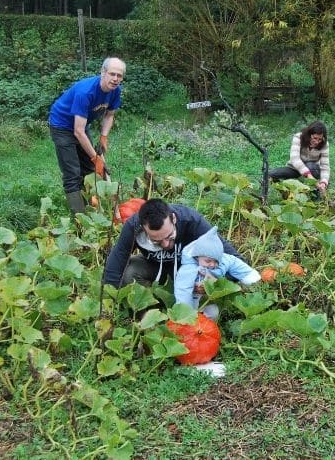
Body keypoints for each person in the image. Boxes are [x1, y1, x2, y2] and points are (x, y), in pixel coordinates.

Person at [102, 199, 243, 290]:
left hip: (190, 274)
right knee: (129, 272)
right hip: (157, 268)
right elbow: (116, 262)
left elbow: (237, 261)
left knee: (211, 312)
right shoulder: (133, 227)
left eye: (169, 236)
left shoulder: (193, 222)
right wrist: (110, 302)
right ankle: (149, 312)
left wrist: (210, 282)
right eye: (156, 241)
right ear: (144, 228)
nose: (165, 244)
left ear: (174, 219)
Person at [49, 57, 126, 214]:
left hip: (82, 126)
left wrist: (103, 136)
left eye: (119, 75)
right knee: (73, 173)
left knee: (89, 168)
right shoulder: (86, 91)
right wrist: (95, 157)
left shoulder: (115, 91)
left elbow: (109, 115)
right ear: (103, 72)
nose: (115, 79)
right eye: (112, 74)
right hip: (62, 125)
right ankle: (80, 218)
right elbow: (78, 131)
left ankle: (88, 205)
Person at [173, 227, 261, 320]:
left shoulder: (223, 261)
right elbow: (183, 291)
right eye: (208, 261)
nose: (212, 264)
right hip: (193, 298)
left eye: (216, 261)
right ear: (197, 256)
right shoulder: (188, 269)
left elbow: (234, 262)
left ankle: (207, 327)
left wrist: (249, 276)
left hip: (208, 298)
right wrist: (186, 314)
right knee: (191, 319)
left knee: (213, 313)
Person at [269, 120, 330, 196]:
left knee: (311, 166)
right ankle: (286, 192)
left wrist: (324, 182)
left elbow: (325, 166)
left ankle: (314, 195)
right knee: (271, 174)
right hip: (295, 168)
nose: (317, 141)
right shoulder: (299, 137)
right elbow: (294, 159)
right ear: (309, 134)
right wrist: (308, 175)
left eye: (320, 139)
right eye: (315, 138)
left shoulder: (324, 144)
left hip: (312, 169)